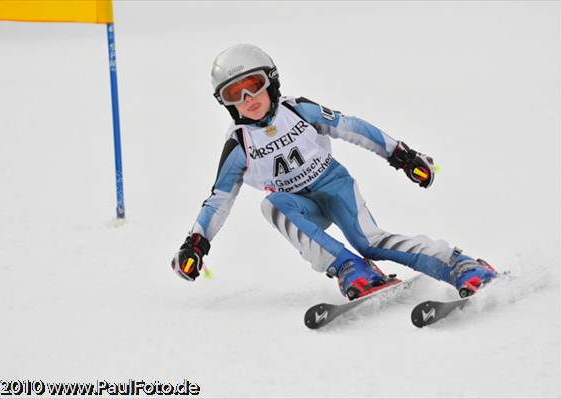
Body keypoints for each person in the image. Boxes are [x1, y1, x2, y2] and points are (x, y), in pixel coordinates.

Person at [171, 43, 497, 300]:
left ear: (271, 82)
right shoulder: (239, 144)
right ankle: (350, 268)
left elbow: (351, 127)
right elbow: (219, 200)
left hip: (334, 185)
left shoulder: (298, 110)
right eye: (234, 94)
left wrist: (401, 155)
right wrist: (196, 243)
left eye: (254, 85)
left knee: (370, 241)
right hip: (300, 206)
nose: (248, 98)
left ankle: (458, 265)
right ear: (226, 103)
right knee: (271, 206)